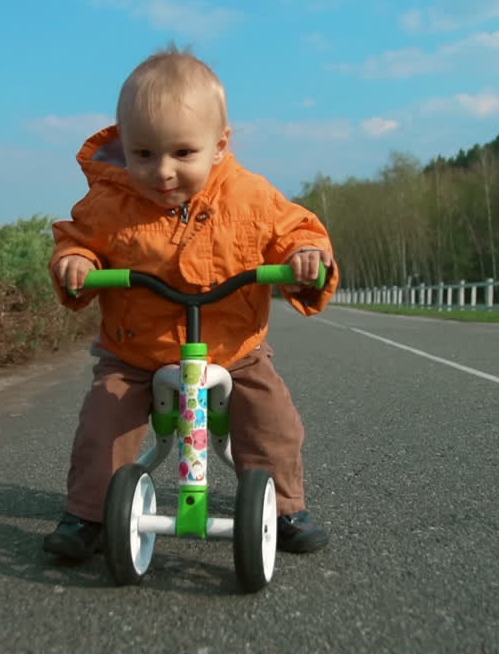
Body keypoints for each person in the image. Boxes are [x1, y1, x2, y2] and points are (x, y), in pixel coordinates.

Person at [44, 44, 338, 562]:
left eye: (183, 153)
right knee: (102, 424)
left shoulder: (251, 197)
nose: (162, 172)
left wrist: (307, 256)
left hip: (232, 348)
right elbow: (79, 238)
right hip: (136, 351)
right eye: (144, 154)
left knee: (271, 419)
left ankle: (284, 506)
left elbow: (295, 231)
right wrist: (77, 263)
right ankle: (87, 513)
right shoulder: (108, 203)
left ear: (220, 145)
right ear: (125, 147)